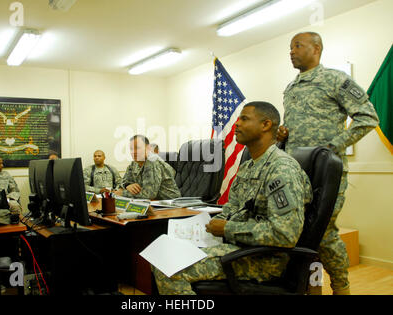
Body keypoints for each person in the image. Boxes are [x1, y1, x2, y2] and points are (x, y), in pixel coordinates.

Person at [152, 102, 312, 294]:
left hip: (262, 259)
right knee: (162, 253)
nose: (236, 124)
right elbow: (231, 209)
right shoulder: (248, 167)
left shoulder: (281, 169)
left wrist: (228, 229)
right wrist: (204, 230)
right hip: (235, 246)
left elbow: (285, 235)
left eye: (244, 119)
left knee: (168, 267)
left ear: (266, 124)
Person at [278, 32, 380, 295]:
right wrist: (283, 135)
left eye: (297, 46)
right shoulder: (291, 88)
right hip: (295, 172)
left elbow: (368, 117)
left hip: (326, 173)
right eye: (290, 47)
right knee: (300, 233)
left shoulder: (335, 79)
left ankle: (341, 286)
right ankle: (312, 287)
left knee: (323, 232)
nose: (291, 51)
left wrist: (333, 146)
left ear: (316, 48)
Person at [114, 135, 181, 200]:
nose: (133, 152)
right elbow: (121, 184)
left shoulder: (152, 162)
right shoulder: (133, 164)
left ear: (148, 148)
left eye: (137, 148)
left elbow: (149, 194)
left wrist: (122, 193)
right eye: (131, 149)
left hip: (170, 204)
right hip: (151, 203)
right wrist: (127, 185)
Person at [0, 154, 22, 224]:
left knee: (15, 206)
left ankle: (17, 229)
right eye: (0, 163)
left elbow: (15, 190)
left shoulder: (6, 174)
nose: (2, 165)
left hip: (5, 200)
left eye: (2, 163)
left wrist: (8, 199)